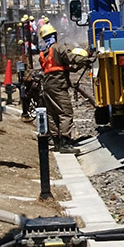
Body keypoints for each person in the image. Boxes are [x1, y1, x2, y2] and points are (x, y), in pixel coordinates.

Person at [38, 22, 77, 152]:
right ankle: (65, 143)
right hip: (58, 85)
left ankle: (57, 142)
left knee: (52, 113)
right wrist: (87, 58)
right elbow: (71, 58)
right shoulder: (59, 48)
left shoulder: (44, 54)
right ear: (54, 35)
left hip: (47, 86)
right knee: (65, 113)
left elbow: (56, 67)